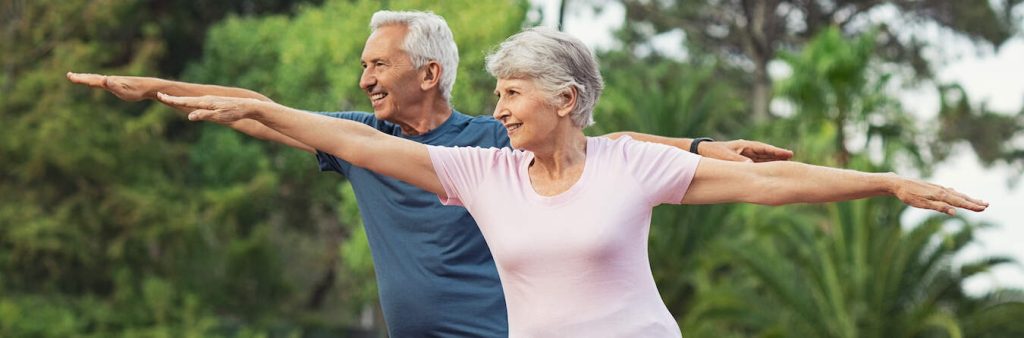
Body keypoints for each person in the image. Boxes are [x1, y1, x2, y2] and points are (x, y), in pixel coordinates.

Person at [154, 26, 988, 337]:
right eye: (495, 93)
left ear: (565, 99)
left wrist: (882, 182)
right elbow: (356, 142)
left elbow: (772, 186)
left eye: (511, 93)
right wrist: (257, 107)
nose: (499, 108)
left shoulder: (630, 161)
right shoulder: (482, 174)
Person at [68, 11, 794, 336]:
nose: (363, 81)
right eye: (362, 67)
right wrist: (156, 86)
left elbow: (612, 144)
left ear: (429, 72)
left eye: (377, 65)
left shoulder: (490, 144)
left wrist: (700, 147)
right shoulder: (363, 143)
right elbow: (263, 110)